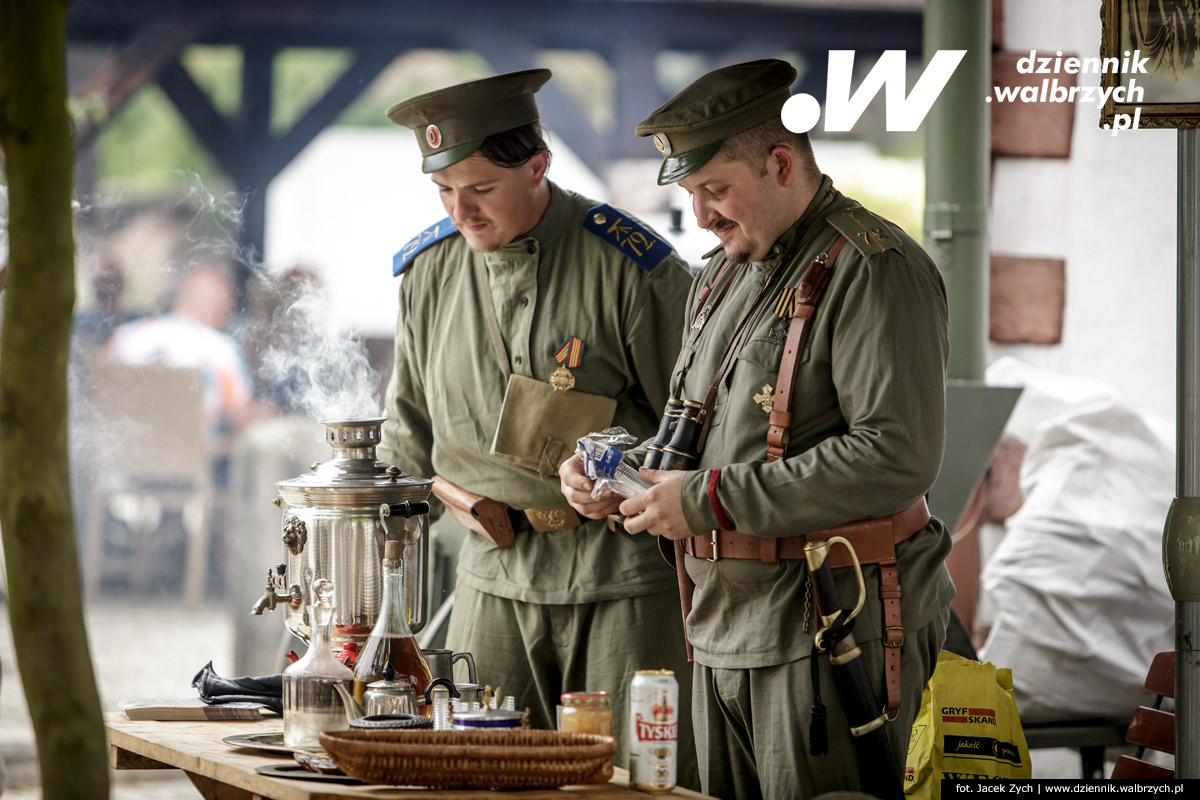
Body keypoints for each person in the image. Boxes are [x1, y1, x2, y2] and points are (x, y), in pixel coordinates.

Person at [560, 58, 955, 798]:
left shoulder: (874, 268)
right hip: (721, 624)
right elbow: (698, 436)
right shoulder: (722, 274)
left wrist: (707, 500)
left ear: (781, 163)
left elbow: (897, 457)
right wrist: (625, 478)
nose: (702, 214)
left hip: (830, 626)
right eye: (690, 194)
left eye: (716, 190)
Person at [377, 69, 698, 786]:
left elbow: (703, 417)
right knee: (478, 779)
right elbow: (407, 438)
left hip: (620, 579)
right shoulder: (427, 272)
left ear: (537, 166)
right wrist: (371, 587)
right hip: (490, 577)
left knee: (631, 780)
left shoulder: (631, 266)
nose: (461, 211)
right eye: (443, 192)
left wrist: (623, 462)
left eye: (481, 189)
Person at [104, 264, 263, 436]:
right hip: (191, 458)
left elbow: (97, 385)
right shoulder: (221, 350)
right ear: (220, 310)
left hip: (120, 451)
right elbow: (239, 417)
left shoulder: (125, 336)